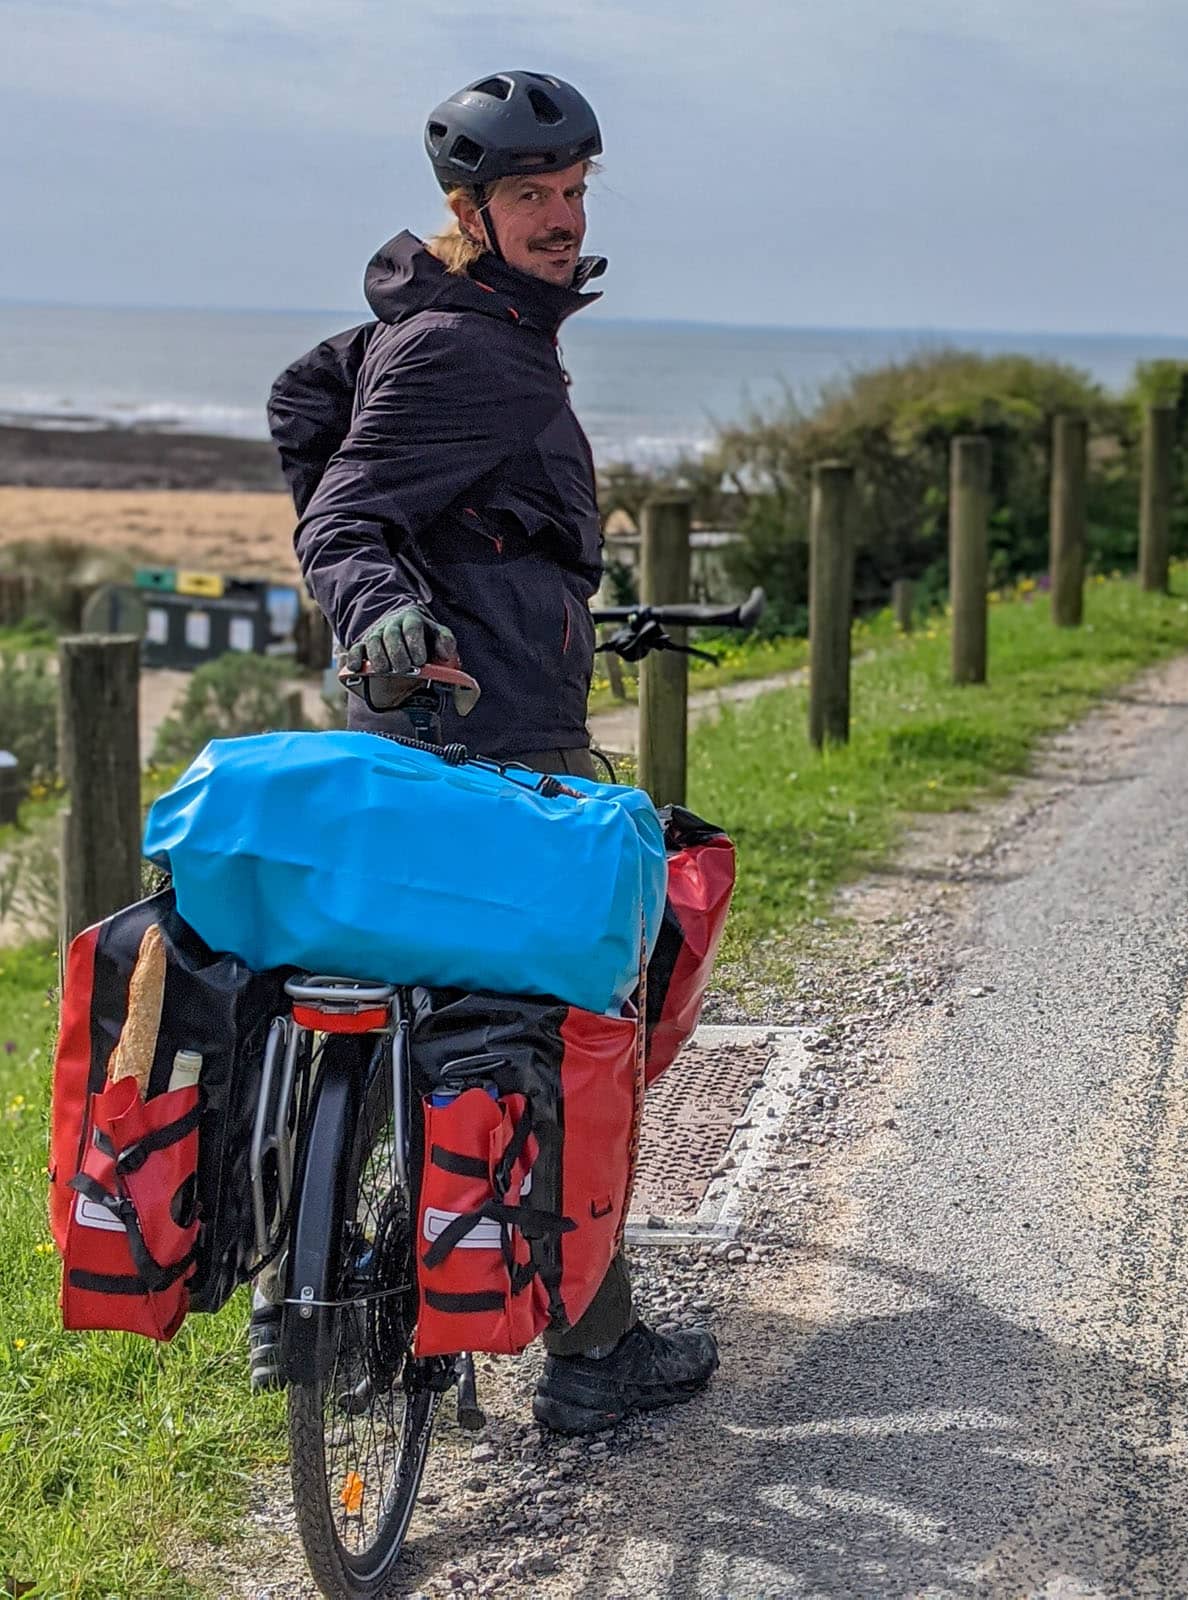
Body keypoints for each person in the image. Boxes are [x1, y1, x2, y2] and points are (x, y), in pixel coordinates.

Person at [262, 71, 717, 1434]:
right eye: (533, 195)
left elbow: (304, 401)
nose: (564, 218)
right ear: (471, 209)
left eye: (574, 191)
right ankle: (594, 1353)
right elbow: (346, 512)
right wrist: (381, 597)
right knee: (578, 1011)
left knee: (446, 1003)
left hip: (420, 718)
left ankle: (350, 1266)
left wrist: (433, 591)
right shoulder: (469, 347)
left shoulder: (433, 323)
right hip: (502, 733)